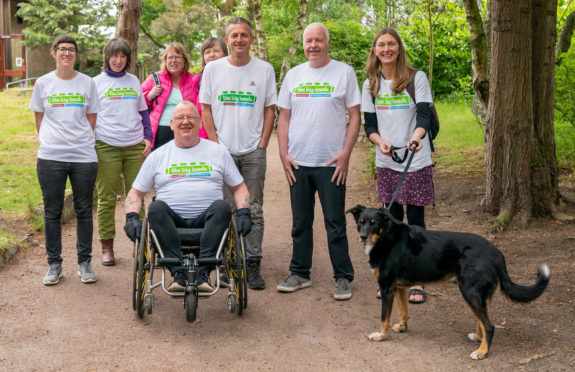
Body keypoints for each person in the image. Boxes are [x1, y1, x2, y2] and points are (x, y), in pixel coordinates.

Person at [123, 101, 253, 292]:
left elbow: (239, 186)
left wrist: (244, 212)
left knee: (222, 207)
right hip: (170, 223)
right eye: (180, 118)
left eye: (191, 117)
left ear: (200, 122)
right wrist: (131, 217)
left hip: (209, 220)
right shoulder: (158, 156)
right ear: (172, 123)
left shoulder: (218, 152)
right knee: (156, 207)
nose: (185, 122)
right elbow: (136, 192)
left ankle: (203, 273)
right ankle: (178, 273)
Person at [276, 23, 361, 301]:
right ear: (303, 44)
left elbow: (355, 115)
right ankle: (300, 272)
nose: (313, 45)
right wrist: (284, 154)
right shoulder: (293, 74)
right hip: (298, 161)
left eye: (319, 40)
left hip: (331, 163)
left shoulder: (344, 72)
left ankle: (342, 277)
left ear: (327, 43)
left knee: (335, 222)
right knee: (301, 222)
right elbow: (284, 117)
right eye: (309, 41)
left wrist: (346, 154)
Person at [199, 17, 277, 290]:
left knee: (252, 207)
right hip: (223, 150)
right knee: (226, 208)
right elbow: (205, 108)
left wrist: (263, 144)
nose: (240, 39)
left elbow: (270, 108)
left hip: (254, 151)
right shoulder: (213, 69)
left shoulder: (265, 69)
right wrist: (215, 143)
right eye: (234, 35)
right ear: (227, 39)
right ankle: (229, 261)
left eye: (245, 35)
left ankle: (252, 263)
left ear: (251, 39)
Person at [361, 28, 435, 304]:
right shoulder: (370, 83)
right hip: (387, 160)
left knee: (415, 221)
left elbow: (425, 116)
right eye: (381, 44)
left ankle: (418, 279)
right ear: (375, 50)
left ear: (398, 48)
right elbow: (370, 125)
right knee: (391, 222)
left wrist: (416, 138)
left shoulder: (416, 79)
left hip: (415, 160)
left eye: (391, 44)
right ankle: (391, 276)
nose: (387, 49)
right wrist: (380, 142)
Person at [29, 35, 101, 285]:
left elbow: (91, 118)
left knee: (83, 210)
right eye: (62, 49)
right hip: (51, 156)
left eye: (71, 50)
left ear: (76, 55)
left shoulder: (88, 83)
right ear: (54, 52)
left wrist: (78, 140)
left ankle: (84, 263)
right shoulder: (43, 83)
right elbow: (39, 118)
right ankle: (54, 265)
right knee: (52, 211)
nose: (67, 53)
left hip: (83, 156)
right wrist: (52, 141)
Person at [92, 38, 152, 266]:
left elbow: (143, 111)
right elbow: (89, 115)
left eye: (123, 56)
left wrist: (148, 137)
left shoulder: (134, 80)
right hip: (106, 145)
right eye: (114, 56)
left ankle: (142, 245)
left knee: (137, 197)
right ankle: (107, 247)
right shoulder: (95, 83)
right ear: (107, 57)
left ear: (128, 58)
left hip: (135, 145)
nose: (118, 60)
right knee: (106, 199)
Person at [141, 43, 197, 149]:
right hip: (160, 131)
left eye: (177, 57)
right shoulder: (155, 78)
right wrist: (149, 96)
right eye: (170, 57)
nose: (173, 61)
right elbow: (137, 101)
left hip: (186, 129)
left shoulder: (194, 80)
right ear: (165, 61)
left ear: (184, 60)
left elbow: (201, 107)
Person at [193, 37, 228, 139]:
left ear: (225, 54)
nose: (212, 55)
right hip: (204, 136)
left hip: (227, 133)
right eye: (207, 52)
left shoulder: (232, 77)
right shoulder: (197, 79)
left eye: (216, 51)